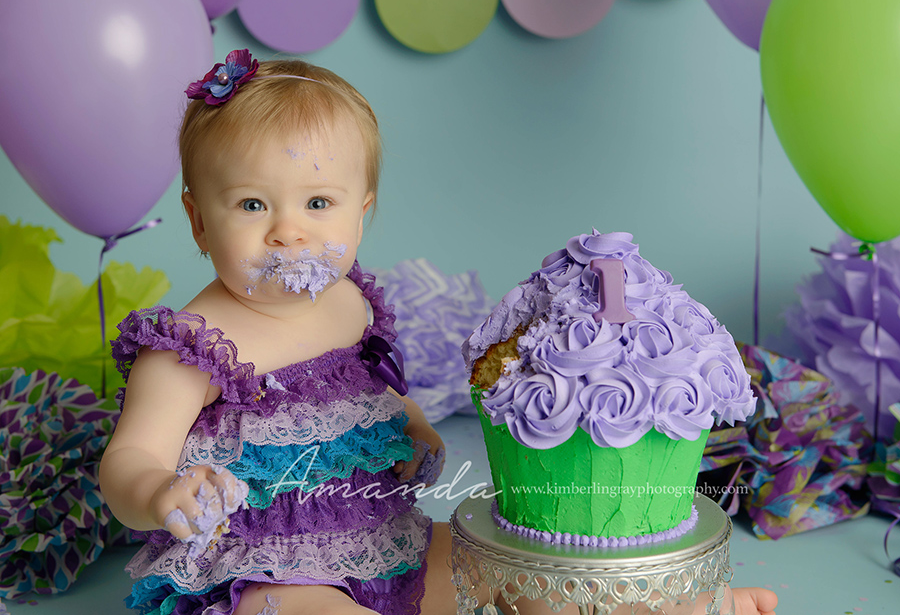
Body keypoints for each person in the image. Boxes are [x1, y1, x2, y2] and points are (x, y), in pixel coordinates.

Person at [99, 50, 778, 615]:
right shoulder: (192, 345)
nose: (288, 229)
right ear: (197, 220)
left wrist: (414, 428)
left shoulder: (350, 305)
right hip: (262, 567)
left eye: (317, 203)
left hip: (383, 538)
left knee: (524, 571)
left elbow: (370, 400)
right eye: (251, 204)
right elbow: (126, 462)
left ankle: (673, 606)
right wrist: (163, 494)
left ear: (361, 212)